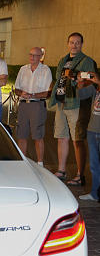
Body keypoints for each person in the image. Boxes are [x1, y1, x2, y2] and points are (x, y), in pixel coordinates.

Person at [48, 33, 97, 185]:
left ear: (82, 44)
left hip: (76, 103)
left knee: (78, 140)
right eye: (71, 42)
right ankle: (62, 171)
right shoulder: (63, 60)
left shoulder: (87, 60)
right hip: (61, 102)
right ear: (67, 43)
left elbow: (91, 77)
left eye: (77, 43)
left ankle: (79, 175)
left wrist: (75, 75)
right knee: (62, 137)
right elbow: (58, 79)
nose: (74, 45)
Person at [14, 47, 53, 166]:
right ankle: (23, 163)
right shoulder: (23, 69)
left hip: (37, 106)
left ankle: (40, 164)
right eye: (30, 54)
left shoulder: (45, 70)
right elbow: (16, 89)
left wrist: (33, 95)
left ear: (41, 57)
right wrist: (22, 93)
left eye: (35, 55)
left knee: (38, 136)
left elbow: (48, 93)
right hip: (23, 106)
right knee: (21, 135)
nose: (32, 57)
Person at [76, 70, 100, 201]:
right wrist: (80, 83)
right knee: (94, 165)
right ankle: (94, 193)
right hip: (92, 129)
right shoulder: (95, 87)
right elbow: (80, 95)